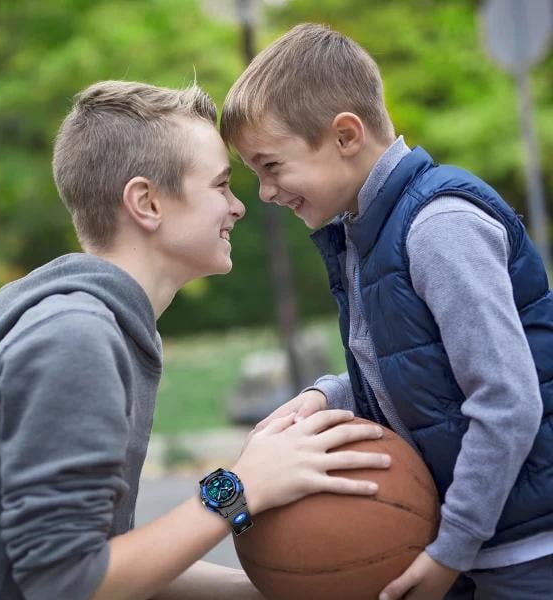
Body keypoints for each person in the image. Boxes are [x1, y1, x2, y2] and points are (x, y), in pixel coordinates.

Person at [0, 80, 393, 600]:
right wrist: (241, 486)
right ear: (147, 202)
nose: (239, 207)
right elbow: (66, 582)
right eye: (221, 185)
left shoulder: (105, 330)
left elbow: (117, 562)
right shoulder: (76, 339)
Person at [220, 23, 553, 600]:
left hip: (527, 548)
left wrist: (453, 546)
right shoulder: (365, 234)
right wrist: (328, 394)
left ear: (346, 135)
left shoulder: (437, 227)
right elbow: (416, 372)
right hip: (477, 545)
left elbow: (506, 398)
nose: (265, 193)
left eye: (270, 166)